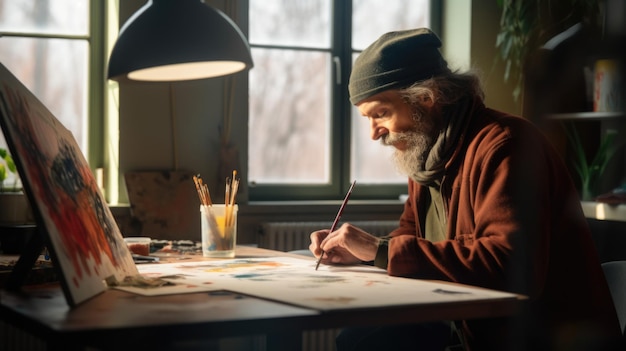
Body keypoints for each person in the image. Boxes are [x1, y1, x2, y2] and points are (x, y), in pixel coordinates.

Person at [309, 28, 622, 351]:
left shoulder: (505, 146)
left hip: (538, 337)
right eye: (367, 118)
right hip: (471, 329)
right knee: (360, 338)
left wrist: (381, 251)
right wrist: (362, 255)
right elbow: (411, 240)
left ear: (426, 99)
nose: (374, 133)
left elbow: (511, 265)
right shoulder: (425, 157)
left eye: (381, 113)